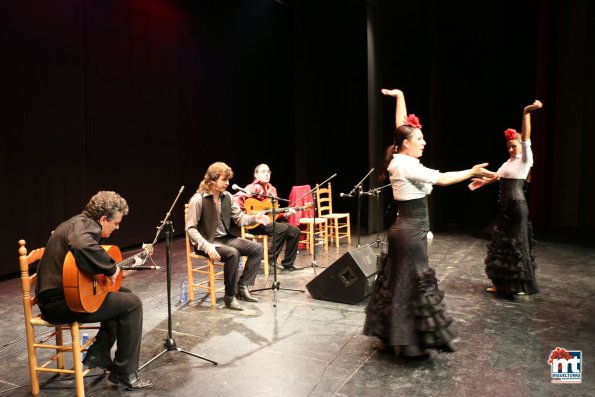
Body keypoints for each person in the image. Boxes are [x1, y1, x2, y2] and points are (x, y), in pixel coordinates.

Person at [363, 88, 496, 359]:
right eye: (420, 139)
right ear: (406, 145)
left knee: (402, 284)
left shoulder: (402, 158)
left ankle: (398, 337)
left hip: (409, 232)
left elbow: (401, 126)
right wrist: (471, 171)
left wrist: (400, 96)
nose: (424, 142)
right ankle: (407, 341)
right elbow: (444, 179)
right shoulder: (406, 166)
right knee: (409, 286)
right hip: (410, 234)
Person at [35, 191, 153, 391]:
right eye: (115, 223)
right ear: (103, 219)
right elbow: (82, 246)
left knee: (124, 295)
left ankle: (98, 354)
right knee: (132, 304)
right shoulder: (85, 228)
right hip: (59, 304)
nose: (117, 227)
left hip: (64, 296)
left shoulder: (77, 223)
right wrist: (111, 267)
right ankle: (125, 374)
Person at [469, 100, 543, 299]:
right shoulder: (508, 162)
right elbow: (497, 176)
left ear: (520, 145)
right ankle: (503, 284)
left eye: (514, 146)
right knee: (504, 245)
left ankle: (519, 284)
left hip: (517, 207)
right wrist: (481, 182)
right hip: (506, 208)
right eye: (509, 147)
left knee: (517, 246)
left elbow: (526, 137)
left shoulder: (525, 160)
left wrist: (526, 112)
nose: (511, 149)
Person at [185, 162, 271, 311]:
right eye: (224, 180)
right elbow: (190, 228)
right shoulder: (198, 199)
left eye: (228, 180)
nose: (227, 183)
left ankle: (243, 286)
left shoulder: (227, 197)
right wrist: (206, 246)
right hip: (207, 242)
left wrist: (255, 218)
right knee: (233, 253)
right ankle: (229, 296)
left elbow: (240, 218)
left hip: (224, 238)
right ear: (212, 180)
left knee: (257, 249)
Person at [234, 163, 302, 271]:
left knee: (295, 230)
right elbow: (236, 199)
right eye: (263, 172)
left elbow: (273, 213)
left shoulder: (272, 190)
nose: (266, 174)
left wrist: (285, 214)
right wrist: (246, 215)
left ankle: (288, 263)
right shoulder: (252, 187)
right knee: (282, 228)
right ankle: (270, 258)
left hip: (269, 222)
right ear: (256, 175)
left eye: (268, 172)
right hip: (255, 224)